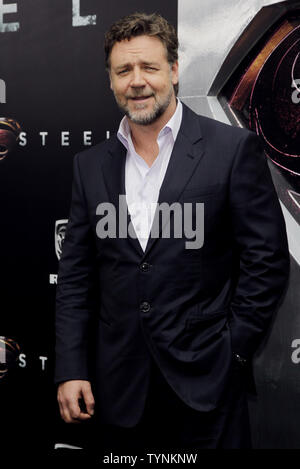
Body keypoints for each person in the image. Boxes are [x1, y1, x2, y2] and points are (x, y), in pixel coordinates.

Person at [55, 12, 290, 451]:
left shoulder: (231, 150)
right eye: (124, 70)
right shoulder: (90, 167)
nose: (137, 81)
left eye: (150, 67)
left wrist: (232, 351)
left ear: (175, 71)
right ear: (110, 80)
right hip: (118, 391)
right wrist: (70, 367)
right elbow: (75, 277)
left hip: (207, 388)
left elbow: (267, 262)